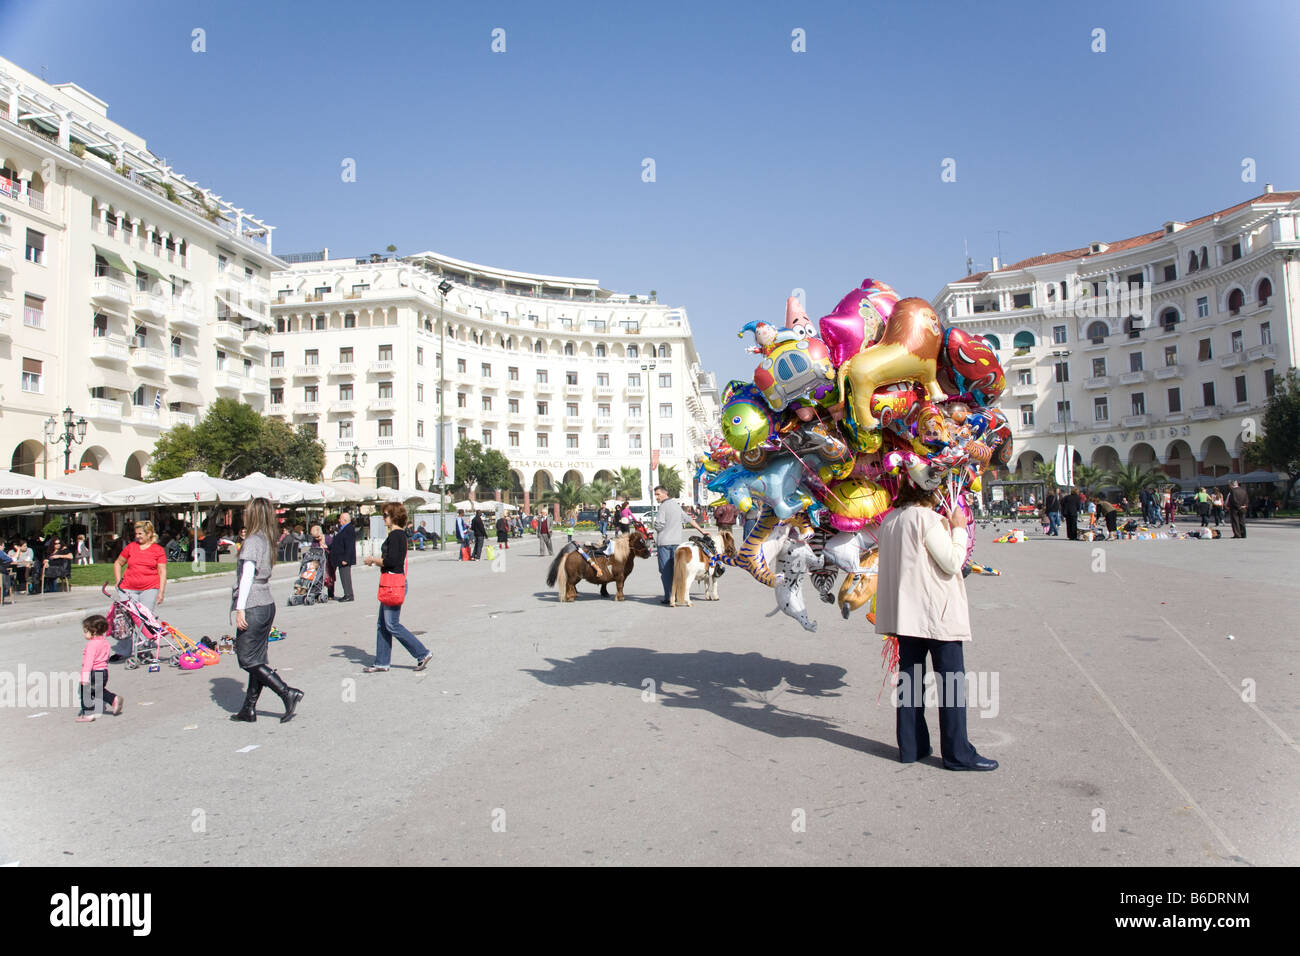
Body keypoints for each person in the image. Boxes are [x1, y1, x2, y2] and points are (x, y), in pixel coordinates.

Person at [875, 480, 996, 771]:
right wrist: (958, 528)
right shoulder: (926, 519)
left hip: (905, 616)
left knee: (910, 682)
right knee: (951, 684)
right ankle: (958, 753)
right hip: (936, 613)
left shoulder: (889, 521)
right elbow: (953, 562)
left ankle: (911, 745)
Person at [228, 498, 302, 723]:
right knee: (257, 658)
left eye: (246, 511)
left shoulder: (251, 541)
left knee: (247, 659)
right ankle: (249, 708)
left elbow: (247, 577)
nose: (243, 514)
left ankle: (286, 692)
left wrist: (239, 609)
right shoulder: (267, 538)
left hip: (253, 602)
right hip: (266, 602)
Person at [362, 502, 433, 673]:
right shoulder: (398, 535)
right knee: (382, 624)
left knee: (392, 624)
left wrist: (373, 560)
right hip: (392, 581)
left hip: (393, 583)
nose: (383, 518)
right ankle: (382, 662)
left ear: (393, 516)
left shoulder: (396, 535)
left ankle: (422, 653)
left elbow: (392, 561)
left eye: (385, 515)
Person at [112, 521, 167, 651]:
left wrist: (161, 591)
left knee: (145, 618)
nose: (138, 536)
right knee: (125, 620)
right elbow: (118, 563)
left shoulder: (157, 550)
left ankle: (144, 647)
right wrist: (118, 580)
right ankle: (124, 650)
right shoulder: (131, 547)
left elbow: (162, 571)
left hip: (149, 588)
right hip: (127, 588)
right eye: (136, 534)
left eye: (140, 534)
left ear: (149, 534)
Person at [652, 485, 707, 606]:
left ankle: (669, 596)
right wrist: (701, 531)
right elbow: (688, 519)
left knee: (665, 571)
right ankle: (678, 595)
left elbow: (659, 525)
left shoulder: (663, 506)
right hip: (677, 543)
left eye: (657, 494)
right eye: (655, 495)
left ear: (664, 493)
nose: (656, 497)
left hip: (664, 543)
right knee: (677, 570)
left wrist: (654, 526)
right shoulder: (676, 505)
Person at [76, 614, 122, 723]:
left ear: (94, 631)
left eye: (86, 631)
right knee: (97, 691)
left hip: (94, 672)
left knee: (85, 692)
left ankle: (88, 714)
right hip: (104, 672)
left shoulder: (92, 645)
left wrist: (84, 677)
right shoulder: (105, 642)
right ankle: (113, 699)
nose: (84, 634)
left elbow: (88, 663)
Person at [327, 511, 357, 601]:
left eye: (340, 519)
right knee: (343, 576)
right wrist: (328, 547)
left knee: (345, 577)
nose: (339, 520)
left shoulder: (349, 529)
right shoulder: (343, 528)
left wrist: (346, 559)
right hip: (340, 557)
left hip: (344, 558)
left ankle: (349, 595)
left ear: (344, 520)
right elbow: (338, 542)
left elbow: (349, 545)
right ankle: (347, 594)